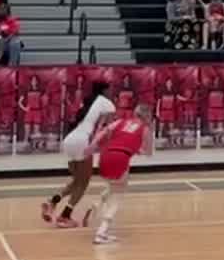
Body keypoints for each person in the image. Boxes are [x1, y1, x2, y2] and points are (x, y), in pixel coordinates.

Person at [46, 81, 116, 229]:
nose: (111, 92)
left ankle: (52, 202)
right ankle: (64, 216)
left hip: (69, 140)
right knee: (83, 183)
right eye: (109, 89)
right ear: (104, 91)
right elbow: (107, 129)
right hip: (82, 141)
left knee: (78, 180)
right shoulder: (108, 104)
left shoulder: (88, 101)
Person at [85, 99, 152, 245]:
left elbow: (103, 132)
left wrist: (92, 146)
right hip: (121, 158)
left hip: (105, 155)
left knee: (114, 185)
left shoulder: (121, 121)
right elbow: (148, 152)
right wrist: (139, 148)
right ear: (147, 116)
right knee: (118, 194)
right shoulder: (145, 129)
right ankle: (101, 232)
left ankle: (96, 203)